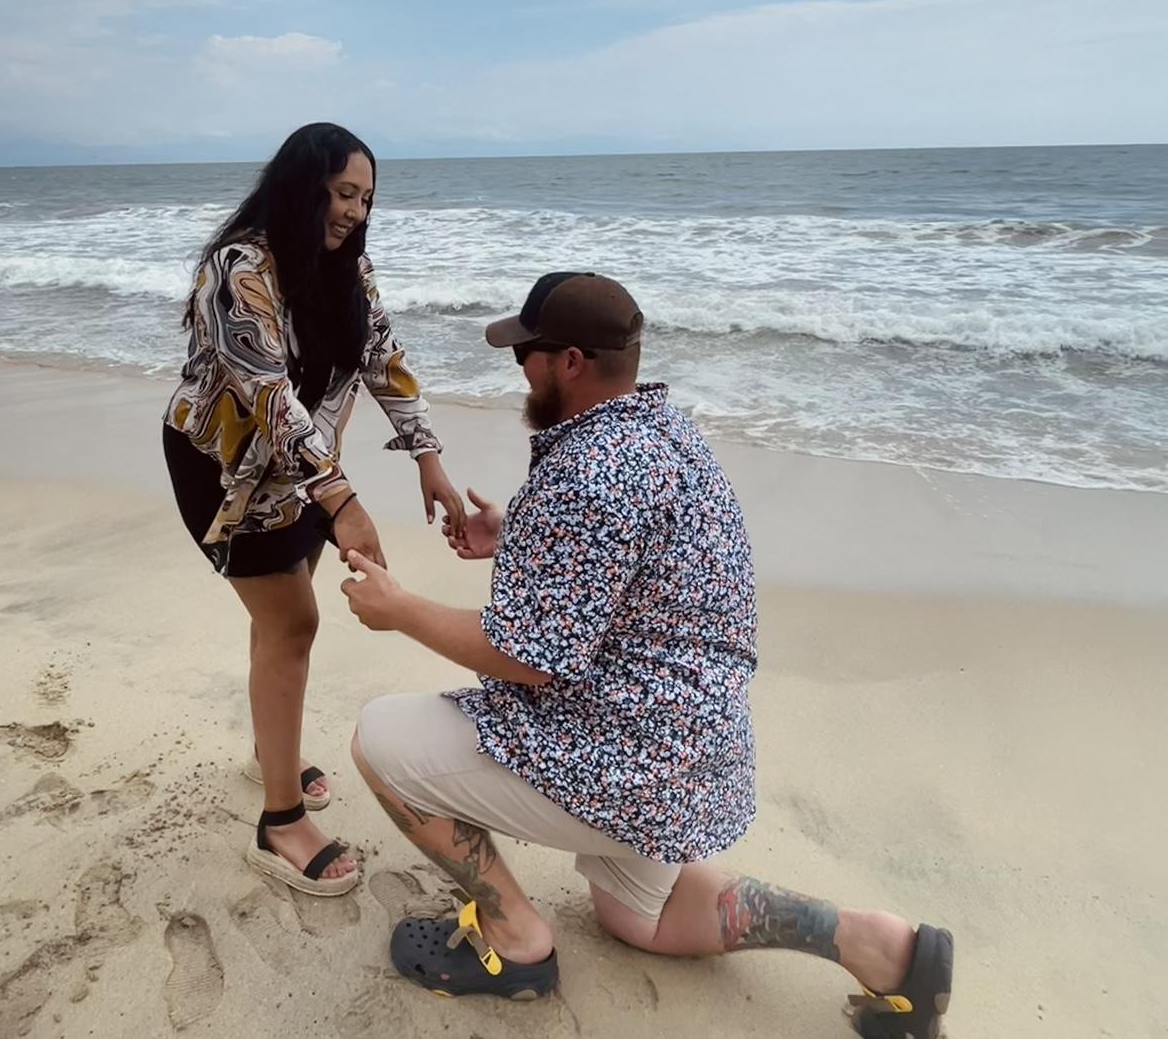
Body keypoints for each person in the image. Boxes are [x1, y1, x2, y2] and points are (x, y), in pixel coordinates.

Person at [341, 271, 954, 1035]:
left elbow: (528, 657)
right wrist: (522, 538)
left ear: (568, 361)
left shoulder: (586, 473)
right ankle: (878, 942)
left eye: (525, 353)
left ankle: (516, 941)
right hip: (696, 762)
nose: (519, 368)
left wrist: (399, 610)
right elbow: (633, 574)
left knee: (379, 740)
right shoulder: (667, 434)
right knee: (639, 917)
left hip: (622, 758)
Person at [163, 122, 466, 897]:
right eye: (341, 193)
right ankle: (281, 820)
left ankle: (273, 750)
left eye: (365, 198)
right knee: (294, 622)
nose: (354, 212)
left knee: (280, 621)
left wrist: (428, 457)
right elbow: (265, 394)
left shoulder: (346, 268)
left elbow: (383, 357)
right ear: (302, 186)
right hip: (228, 472)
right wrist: (345, 503)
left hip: (303, 470)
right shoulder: (239, 268)